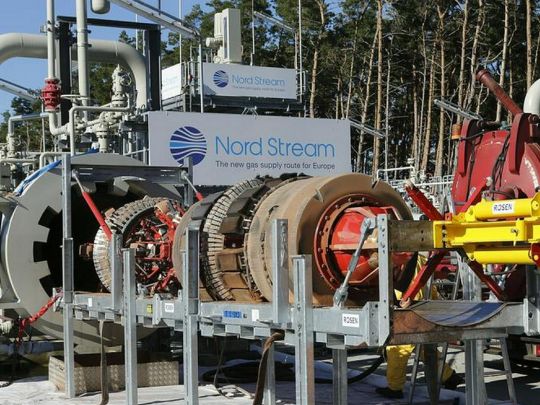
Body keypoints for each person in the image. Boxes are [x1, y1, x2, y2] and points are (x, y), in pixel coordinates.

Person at [375, 255, 464, 399]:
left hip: (408, 311)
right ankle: (449, 377)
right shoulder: (420, 259)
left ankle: (395, 388)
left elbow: (399, 287)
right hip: (422, 308)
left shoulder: (397, 258)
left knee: (397, 349)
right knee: (424, 349)